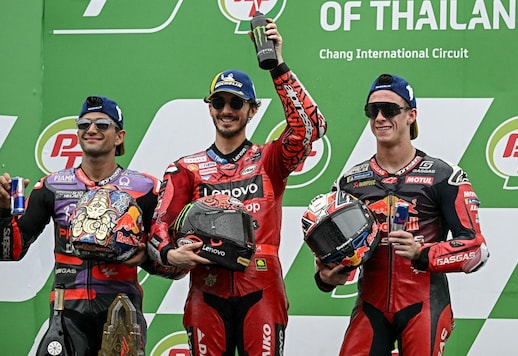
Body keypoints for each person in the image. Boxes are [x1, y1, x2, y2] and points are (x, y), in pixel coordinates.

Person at [147, 19, 327, 356]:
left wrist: (278, 66)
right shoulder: (185, 169)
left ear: (252, 109)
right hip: (206, 290)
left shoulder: (270, 159)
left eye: (236, 103)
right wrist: (171, 254)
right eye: (219, 103)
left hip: (262, 289)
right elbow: (157, 230)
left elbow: (311, 127)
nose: (227, 110)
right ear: (210, 107)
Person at [314, 73, 490, 356]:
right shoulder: (350, 182)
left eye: (391, 109)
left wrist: (423, 253)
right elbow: (336, 258)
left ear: (411, 115)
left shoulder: (444, 176)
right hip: (370, 306)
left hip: (424, 306)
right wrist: (327, 276)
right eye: (373, 110)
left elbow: (477, 250)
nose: (380, 117)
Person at [0, 95, 185, 355]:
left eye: (102, 124)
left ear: (119, 136)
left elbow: (175, 266)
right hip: (66, 313)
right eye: (84, 124)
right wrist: (2, 211)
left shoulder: (145, 189)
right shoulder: (53, 186)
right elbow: (10, 250)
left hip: (122, 310)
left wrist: (144, 255)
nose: (91, 129)